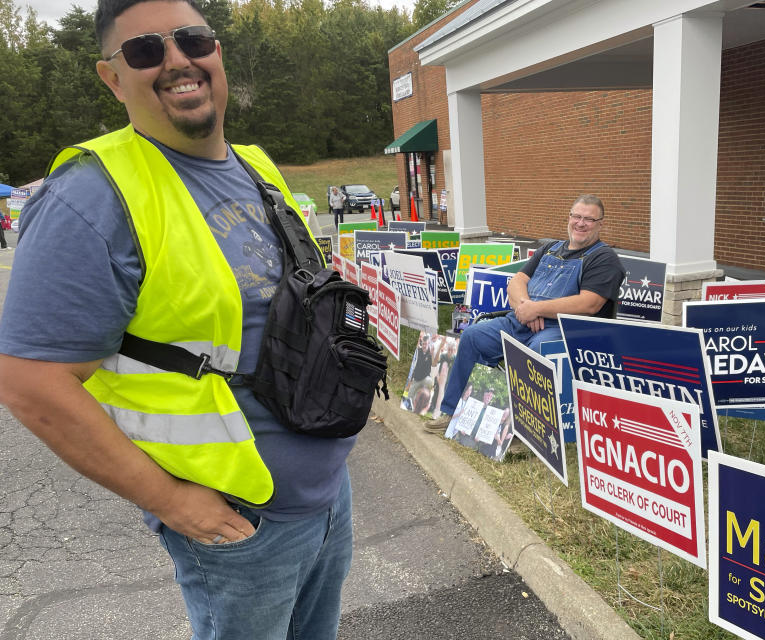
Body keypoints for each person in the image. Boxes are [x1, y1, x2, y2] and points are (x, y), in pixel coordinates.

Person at [0, 1, 354, 638]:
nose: (176, 60)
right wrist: (170, 502)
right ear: (112, 78)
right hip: (238, 518)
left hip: (326, 494)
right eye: (144, 51)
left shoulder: (256, 167)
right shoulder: (91, 196)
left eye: (193, 40)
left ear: (217, 54)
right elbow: (30, 382)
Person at [426, 194, 625, 434]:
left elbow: (589, 303)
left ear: (600, 224)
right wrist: (526, 306)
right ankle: (454, 413)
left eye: (589, 219)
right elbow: (517, 281)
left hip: (564, 331)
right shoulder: (550, 249)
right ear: (569, 217)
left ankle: (526, 431)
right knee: (474, 336)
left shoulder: (604, 259)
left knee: (535, 353)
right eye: (577, 216)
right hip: (521, 320)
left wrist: (537, 309)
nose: (581, 223)